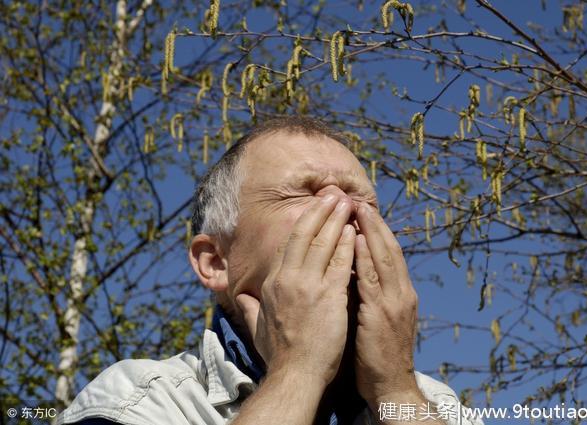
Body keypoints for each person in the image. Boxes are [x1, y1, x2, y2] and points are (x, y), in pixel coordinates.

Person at [55, 116, 484, 425]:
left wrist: (394, 389)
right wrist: (297, 371)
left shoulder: (436, 406)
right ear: (216, 262)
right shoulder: (135, 401)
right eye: (302, 194)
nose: (346, 209)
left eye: (365, 200)